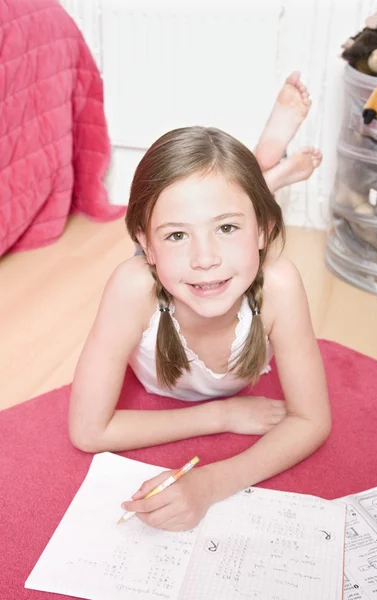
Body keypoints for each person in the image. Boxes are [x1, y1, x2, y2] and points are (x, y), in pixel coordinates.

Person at [69, 73, 330, 532]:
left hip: (248, 237)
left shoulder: (280, 283)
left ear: (266, 231)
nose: (205, 260)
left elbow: (312, 419)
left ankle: (265, 174)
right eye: (175, 236)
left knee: (229, 199)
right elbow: (88, 431)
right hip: (181, 260)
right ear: (145, 247)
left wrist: (212, 483)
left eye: (227, 229)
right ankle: (263, 175)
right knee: (222, 200)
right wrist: (220, 414)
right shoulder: (134, 287)